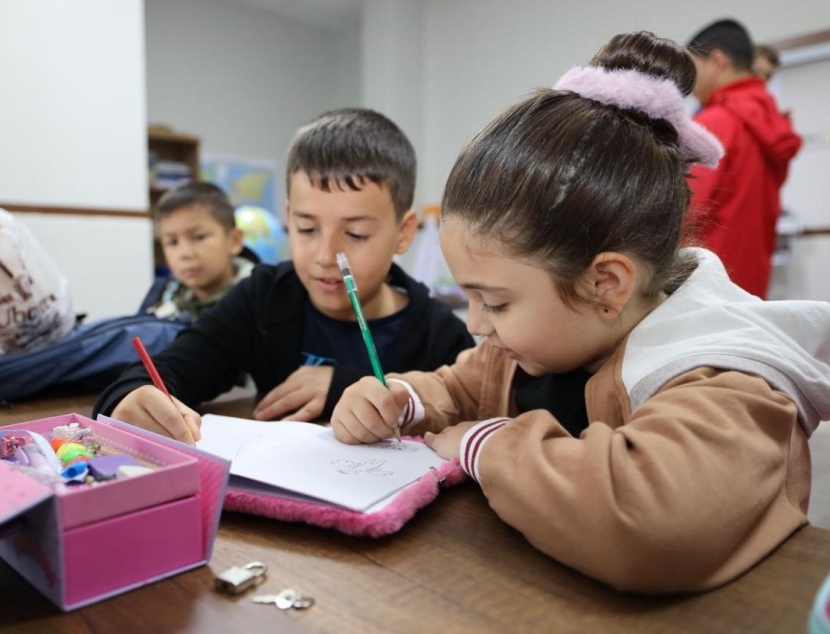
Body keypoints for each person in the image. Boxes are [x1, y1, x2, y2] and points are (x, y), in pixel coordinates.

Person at [330, 32, 830, 594]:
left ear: (605, 284)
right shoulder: (523, 348)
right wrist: (402, 401)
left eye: (495, 302)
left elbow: (647, 524)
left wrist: (483, 444)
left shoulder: (724, 378)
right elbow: (456, 389)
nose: (475, 324)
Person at [94, 108, 475, 441]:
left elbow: (476, 422)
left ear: (403, 233)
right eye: (307, 229)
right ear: (289, 216)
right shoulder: (264, 297)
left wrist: (341, 383)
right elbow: (169, 369)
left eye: (356, 234)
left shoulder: (437, 333)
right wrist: (133, 396)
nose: (326, 257)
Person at [686, 19, 802, 299]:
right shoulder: (772, 121)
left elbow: (687, 208)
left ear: (717, 61)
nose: (689, 82)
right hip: (750, 280)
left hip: (706, 281)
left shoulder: (715, 122)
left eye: (693, 66)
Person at [138, 181, 254, 319]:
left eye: (199, 237)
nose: (185, 254)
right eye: (172, 242)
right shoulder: (161, 306)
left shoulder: (264, 300)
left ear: (234, 240)